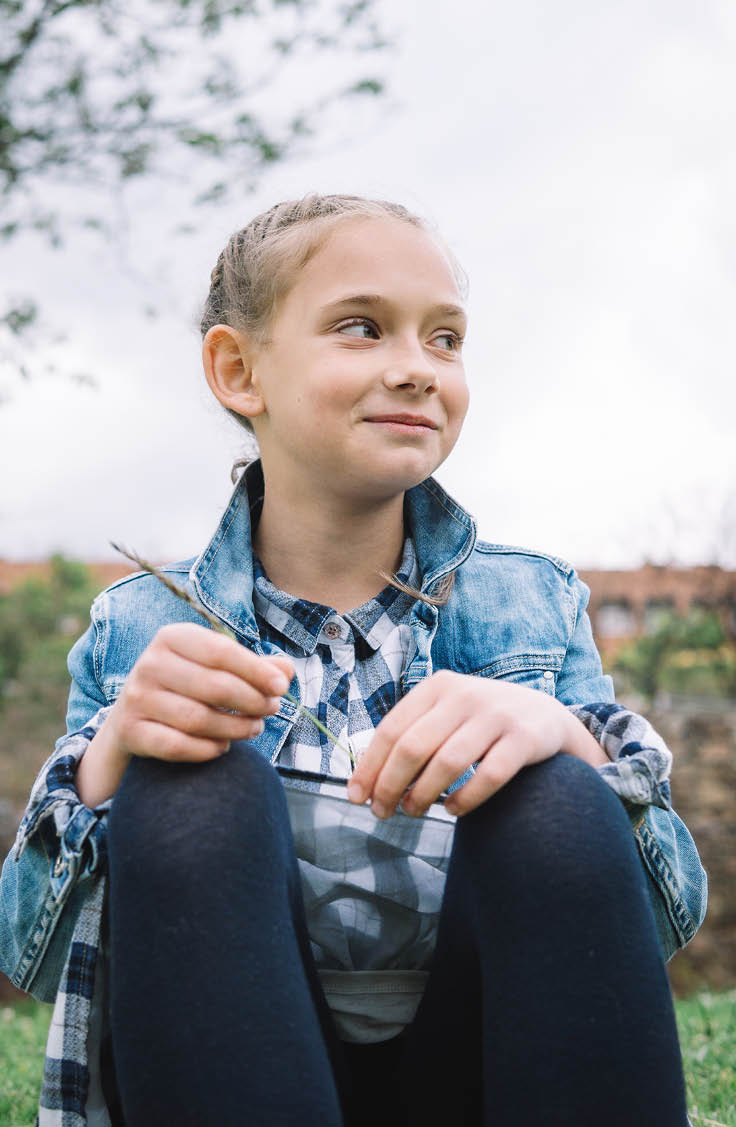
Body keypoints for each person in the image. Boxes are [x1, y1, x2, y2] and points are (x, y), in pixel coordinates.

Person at [0, 193, 707, 1127]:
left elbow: (660, 916)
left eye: (445, 339)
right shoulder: (138, 626)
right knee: (187, 785)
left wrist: (564, 735)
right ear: (237, 368)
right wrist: (114, 754)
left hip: (486, 1068)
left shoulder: (533, 602)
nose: (417, 369)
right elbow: (33, 950)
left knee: (555, 787)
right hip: (231, 1068)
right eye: (363, 328)